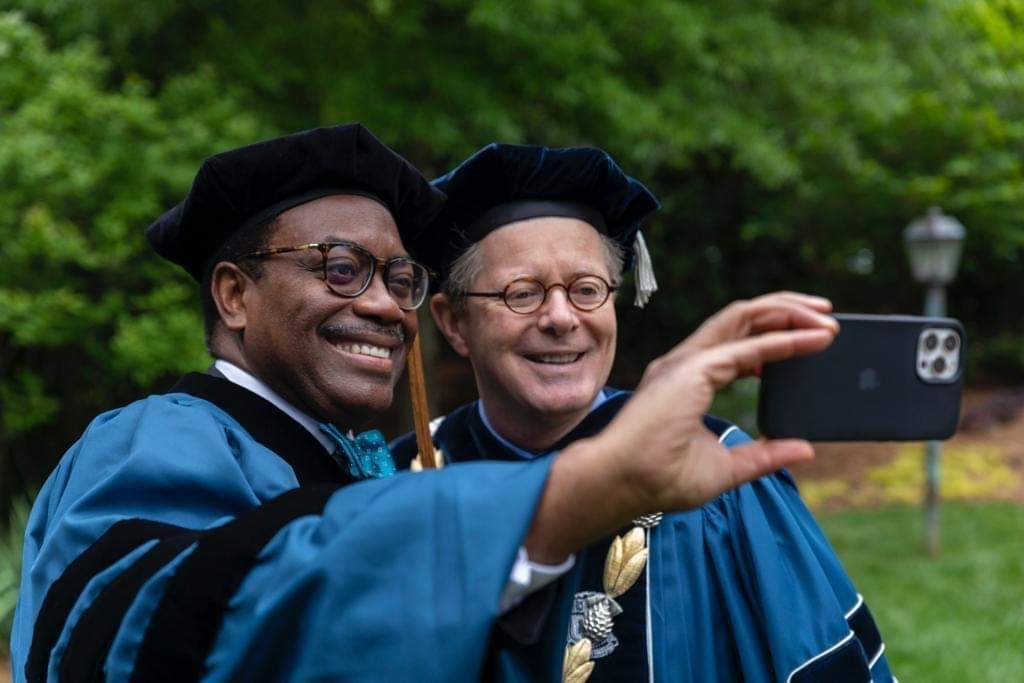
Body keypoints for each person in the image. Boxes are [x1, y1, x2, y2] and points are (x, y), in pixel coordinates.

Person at [11, 124, 836, 683]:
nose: (383, 304)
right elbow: (136, 635)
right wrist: (569, 498)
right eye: (341, 268)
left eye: (399, 276)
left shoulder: (344, 462)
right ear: (233, 294)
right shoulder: (157, 440)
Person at [392, 143, 894, 682]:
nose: (561, 317)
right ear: (453, 323)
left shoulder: (718, 471)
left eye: (587, 289)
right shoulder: (401, 478)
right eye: (522, 293)